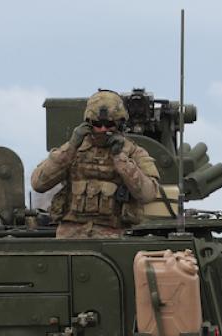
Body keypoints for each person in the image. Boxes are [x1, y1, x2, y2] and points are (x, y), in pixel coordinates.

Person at [31, 90, 161, 238]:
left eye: (109, 124)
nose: (103, 130)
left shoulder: (134, 153)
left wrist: (121, 158)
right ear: (88, 123)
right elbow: (38, 183)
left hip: (113, 238)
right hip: (70, 236)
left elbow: (148, 194)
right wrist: (71, 147)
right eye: (97, 124)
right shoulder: (73, 150)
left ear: (120, 124)